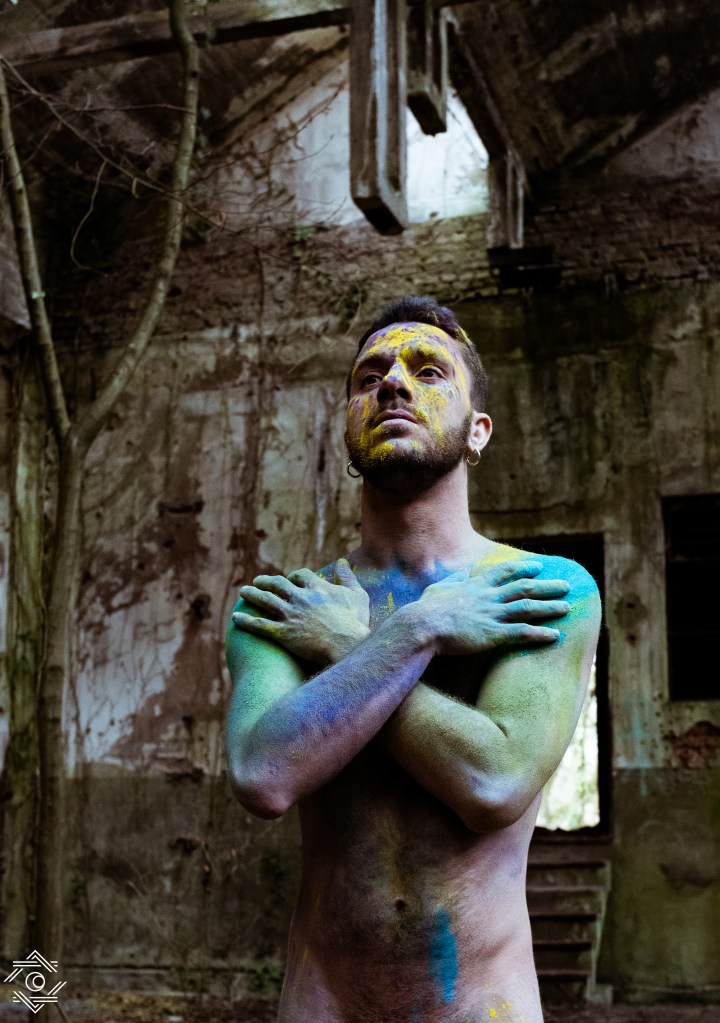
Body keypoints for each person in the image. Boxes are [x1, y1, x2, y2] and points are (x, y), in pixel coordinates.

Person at [225, 295, 601, 1023]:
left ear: (478, 430)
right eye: (369, 377)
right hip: (324, 1003)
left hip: (482, 1006)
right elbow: (263, 775)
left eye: (428, 371)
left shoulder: (543, 591)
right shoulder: (284, 606)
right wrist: (418, 630)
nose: (393, 383)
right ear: (348, 424)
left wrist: (346, 645)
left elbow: (493, 782)